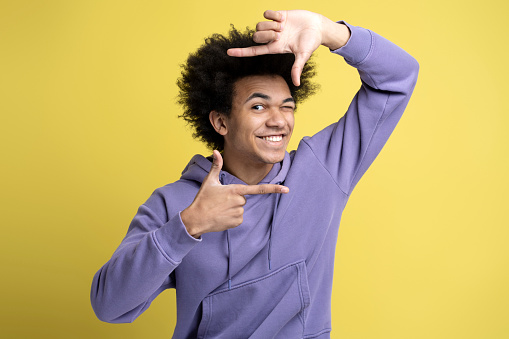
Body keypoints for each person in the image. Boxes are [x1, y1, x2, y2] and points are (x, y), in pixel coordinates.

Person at [91, 9, 419, 338]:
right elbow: (109, 305)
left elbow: (398, 77)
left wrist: (330, 32)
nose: (279, 120)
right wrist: (189, 225)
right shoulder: (174, 203)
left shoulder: (321, 170)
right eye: (258, 107)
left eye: (287, 106)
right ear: (221, 122)